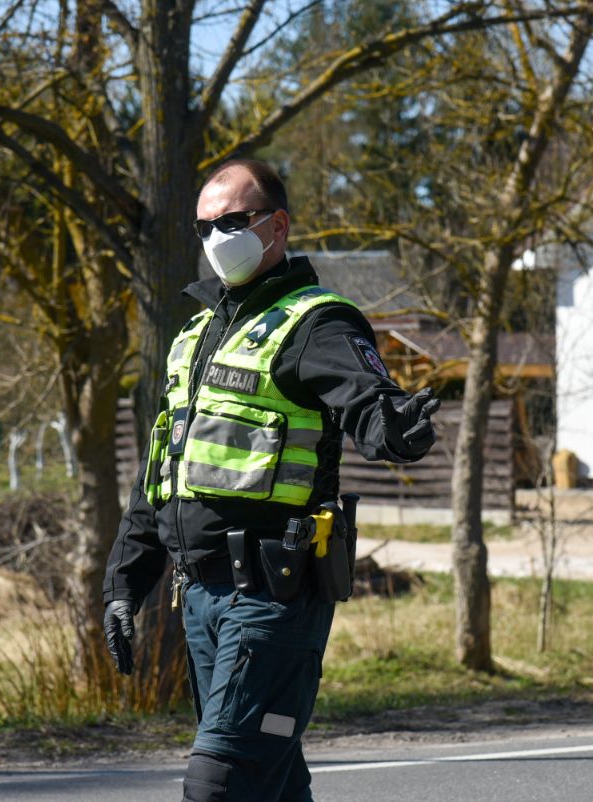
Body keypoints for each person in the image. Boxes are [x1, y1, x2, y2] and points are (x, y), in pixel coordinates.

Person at [102, 158, 438, 801]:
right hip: (200, 599)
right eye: (204, 228)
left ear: (276, 226)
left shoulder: (316, 322)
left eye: (231, 222)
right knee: (271, 786)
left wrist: (396, 428)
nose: (215, 240)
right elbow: (162, 475)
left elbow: (368, 402)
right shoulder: (195, 335)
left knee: (219, 785)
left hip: (273, 597)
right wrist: (124, 587)